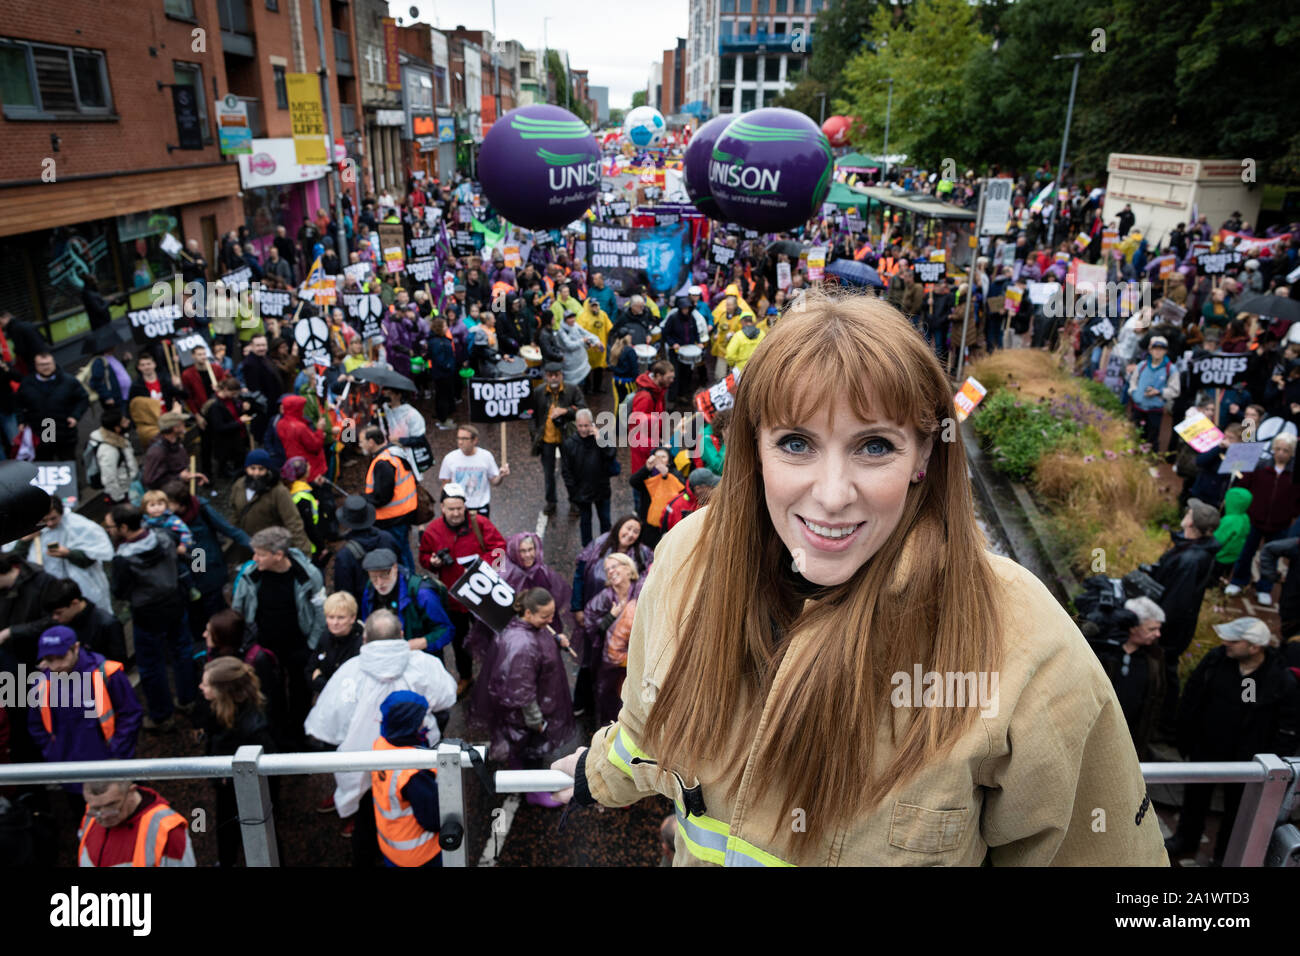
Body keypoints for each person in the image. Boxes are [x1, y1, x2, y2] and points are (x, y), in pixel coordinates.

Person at [548, 291, 1166, 866]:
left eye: (874, 446)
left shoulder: (1024, 644)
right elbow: (647, 730)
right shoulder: (687, 560)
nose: (833, 495)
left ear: (926, 454)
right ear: (753, 446)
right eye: (796, 443)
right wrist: (598, 775)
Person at [305, 609, 456, 837]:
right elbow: (446, 698)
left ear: (365, 638)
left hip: (365, 764)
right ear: (402, 634)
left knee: (366, 819)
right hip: (414, 759)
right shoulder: (425, 665)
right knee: (419, 810)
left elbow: (326, 724)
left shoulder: (349, 671)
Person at [1167, 617, 1300, 865]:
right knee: (1195, 798)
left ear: (1254, 647)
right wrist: (1184, 737)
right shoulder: (1216, 661)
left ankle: (1223, 855)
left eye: (1234, 640)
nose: (1225, 642)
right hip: (1207, 748)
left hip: (1248, 760)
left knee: (1238, 811)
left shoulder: (1279, 679)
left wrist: (1274, 760)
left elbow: (1287, 725)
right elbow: (1192, 698)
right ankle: (1185, 840)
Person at [231, 526, 326, 748]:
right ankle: (278, 737)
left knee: (300, 693)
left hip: (298, 646)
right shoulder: (250, 575)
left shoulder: (308, 575)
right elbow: (239, 609)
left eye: (260, 554)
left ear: (278, 555)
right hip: (265, 649)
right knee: (270, 695)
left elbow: (320, 612)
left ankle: (298, 736)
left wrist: (311, 644)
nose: (255, 559)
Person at [481, 588, 576, 807]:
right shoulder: (521, 644)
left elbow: (542, 643)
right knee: (533, 752)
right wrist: (536, 721)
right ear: (528, 614)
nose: (551, 620)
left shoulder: (533, 628)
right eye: (545, 616)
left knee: (522, 748)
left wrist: (556, 639)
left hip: (539, 703)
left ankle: (518, 770)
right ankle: (533, 792)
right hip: (531, 713)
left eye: (552, 615)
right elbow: (521, 691)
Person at [105, 504, 194, 731]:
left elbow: (119, 592)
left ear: (123, 527)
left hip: (146, 613)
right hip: (174, 601)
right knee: (182, 651)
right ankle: (188, 699)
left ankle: (161, 716)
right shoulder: (163, 536)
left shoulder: (123, 559)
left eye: (111, 527)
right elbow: (182, 548)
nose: (109, 530)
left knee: (151, 665)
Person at [28, 626, 142, 800]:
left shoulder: (107, 674)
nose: (57, 665)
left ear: (76, 648)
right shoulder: (42, 685)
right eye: (50, 660)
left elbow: (130, 714)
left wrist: (117, 753)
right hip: (70, 772)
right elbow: (37, 725)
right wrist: (54, 754)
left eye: (61, 657)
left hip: (111, 767)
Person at [418, 484, 507, 693]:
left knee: (490, 638)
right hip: (453, 600)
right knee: (459, 641)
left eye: (460, 508)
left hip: (482, 597)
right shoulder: (432, 530)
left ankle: (495, 675)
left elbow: (500, 549)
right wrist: (432, 562)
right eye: (451, 509)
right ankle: (465, 676)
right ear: (442, 507)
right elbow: (423, 557)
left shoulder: (481, 524)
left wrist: (480, 568)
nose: (456, 513)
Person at [195, 656, 279, 867]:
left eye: (206, 684)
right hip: (228, 784)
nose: (201, 687)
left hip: (244, 789)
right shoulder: (223, 709)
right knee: (227, 829)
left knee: (259, 831)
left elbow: (271, 772)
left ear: (222, 691)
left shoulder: (254, 728)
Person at [163, 480, 249, 642]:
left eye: (169, 503)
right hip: (188, 565)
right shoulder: (167, 519)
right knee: (196, 607)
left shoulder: (201, 510)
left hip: (204, 559)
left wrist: (254, 546)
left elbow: (229, 530)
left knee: (210, 602)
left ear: (180, 503)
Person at [369, 690, 444, 866]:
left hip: (391, 846)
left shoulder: (380, 744)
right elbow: (433, 819)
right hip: (420, 854)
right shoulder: (414, 772)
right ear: (413, 724)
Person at [1224, 433, 1300, 602]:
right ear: (1273, 449)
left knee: (1271, 557)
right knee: (1245, 552)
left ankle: (1265, 588)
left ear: (1292, 453)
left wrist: (1291, 512)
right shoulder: (1260, 467)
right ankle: (1238, 581)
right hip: (1254, 519)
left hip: (1280, 524)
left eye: (1286, 450)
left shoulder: (1295, 475)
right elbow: (1244, 487)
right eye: (1278, 449)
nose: (1281, 453)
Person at [1089, 597, 1166, 762]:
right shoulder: (1106, 652)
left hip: (1131, 738)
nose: (1158, 634)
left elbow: (1157, 697)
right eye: (1152, 629)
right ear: (1133, 627)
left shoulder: (1154, 657)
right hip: (1099, 735)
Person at [9, 495, 114, 613]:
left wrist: (69, 554)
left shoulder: (79, 526)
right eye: (44, 520)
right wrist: (25, 541)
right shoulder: (32, 530)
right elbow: (14, 559)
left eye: (53, 518)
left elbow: (94, 556)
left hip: (83, 589)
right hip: (49, 592)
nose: (49, 524)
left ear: (61, 513)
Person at [579, 553, 643, 727]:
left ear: (629, 569)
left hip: (640, 658)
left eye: (615, 566)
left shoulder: (642, 589)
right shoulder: (604, 598)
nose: (610, 571)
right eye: (607, 569)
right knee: (611, 698)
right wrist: (610, 617)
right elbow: (591, 626)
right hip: (611, 665)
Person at [78, 780, 194, 867]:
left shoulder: (166, 829)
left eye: (111, 805)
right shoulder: (91, 813)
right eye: (96, 808)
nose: (103, 815)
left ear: (131, 791)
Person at [359, 549, 453, 655]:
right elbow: (367, 621)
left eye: (384, 575)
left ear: (395, 568)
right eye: (373, 577)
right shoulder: (370, 589)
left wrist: (421, 643)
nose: (379, 583)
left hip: (420, 660)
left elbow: (446, 630)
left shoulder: (423, 594)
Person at [227, 448, 310, 559]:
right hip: (246, 548)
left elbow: (294, 523)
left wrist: (304, 555)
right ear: (246, 469)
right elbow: (235, 514)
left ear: (268, 470)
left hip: (271, 551)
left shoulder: (279, 492)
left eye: (261, 469)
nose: (256, 473)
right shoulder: (239, 486)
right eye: (252, 468)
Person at [530, 363, 587, 517]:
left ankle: (574, 502)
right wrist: (535, 436)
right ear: (546, 376)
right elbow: (532, 416)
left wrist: (565, 411)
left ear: (562, 375)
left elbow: (583, 409)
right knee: (548, 473)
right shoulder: (539, 392)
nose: (554, 378)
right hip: (547, 439)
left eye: (557, 374)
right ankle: (551, 502)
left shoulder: (572, 389)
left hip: (566, 438)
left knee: (569, 472)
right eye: (550, 375)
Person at [333, 494, 408, 607]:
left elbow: (344, 595)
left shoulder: (344, 555)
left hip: (365, 610)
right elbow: (401, 567)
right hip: (395, 602)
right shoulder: (388, 538)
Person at [361, 425, 419, 569]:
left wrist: (364, 499)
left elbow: (382, 497)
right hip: (403, 514)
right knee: (404, 550)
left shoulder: (382, 463)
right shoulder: (393, 452)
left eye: (361, 441)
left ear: (371, 442)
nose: (360, 444)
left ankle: (407, 583)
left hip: (392, 518)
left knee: (399, 554)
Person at [16, 351, 88, 461]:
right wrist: (21, 421)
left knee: (67, 463)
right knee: (45, 464)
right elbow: (18, 403)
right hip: (41, 433)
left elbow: (83, 398)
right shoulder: (27, 384)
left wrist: (75, 416)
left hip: (65, 431)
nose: (46, 367)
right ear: (35, 365)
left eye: (48, 364)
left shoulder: (68, 381)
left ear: (54, 363)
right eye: (42, 365)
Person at [560, 409, 617, 546]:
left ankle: (606, 547)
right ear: (576, 425)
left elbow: (611, 454)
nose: (584, 429)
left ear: (592, 424)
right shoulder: (569, 444)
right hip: (582, 492)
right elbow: (566, 471)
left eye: (586, 425)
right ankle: (588, 551)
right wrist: (573, 493)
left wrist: (600, 439)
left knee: (605, 521)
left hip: (601, 489)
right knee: (585, 523)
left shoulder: (602, 438)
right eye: (581, 426)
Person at [44, 579, 127, 664]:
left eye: (58, 613)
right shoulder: (62, 624)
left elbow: (118, 664)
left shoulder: (107, 624)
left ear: (74, 603)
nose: (55, 618)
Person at [438, 423, 508, 517]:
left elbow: (495, 481)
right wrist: (443, 505)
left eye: (464, 439)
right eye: (458, 438)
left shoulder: (486, 456)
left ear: (475, 440)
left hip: (481, 507)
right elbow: (445, 484)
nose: (460, 442)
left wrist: (501, 476)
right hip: (459, 509)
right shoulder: (450, 458)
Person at [1127, 336, 1179, 452]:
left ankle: (1149, 462)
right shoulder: (1142, 365)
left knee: (1152, 439)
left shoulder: (1171, 369)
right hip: (1138, 408)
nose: (1157, 351)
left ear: (1165, 351)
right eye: (1155, 348)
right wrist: (1134, 393)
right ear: (1150, 350)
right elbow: (1133, 381)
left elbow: (1175, 390)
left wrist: (1159, 392)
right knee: (1134, 436)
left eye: (1161, 349)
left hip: (1154, 410)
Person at [629, 446, 687, 549]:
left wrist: (667, 476)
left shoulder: (674, 472)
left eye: (663, 457)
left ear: (669, 460)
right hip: (648, 519)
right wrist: (646, 468)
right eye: (657, 457)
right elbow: (633, 482)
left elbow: (682, 489)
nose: (659, 460)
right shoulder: (648, 473)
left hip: (667, 519)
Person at [311, 591, 365, 696]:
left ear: (352, 618)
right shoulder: (325, 636)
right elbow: (310, 669)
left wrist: (320, 682)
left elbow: (352, 683)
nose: (335, 623)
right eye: (331, 617)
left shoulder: (361, 643)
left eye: (341, 618)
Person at [89, 408, 139, 505]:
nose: (128, 422)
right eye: (124, 421)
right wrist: (119, 498)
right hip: (122, 494)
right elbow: (109, 478)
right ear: (117, 428)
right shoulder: (108, 450)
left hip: (129, 488)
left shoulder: (120, 439)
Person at [662, 467, 719, 532]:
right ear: (698, 489)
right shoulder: (677, 506)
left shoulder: (706, 500)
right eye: (711, 487)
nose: (714, 490)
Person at [578, 296, 613, 397]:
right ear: (589, 307)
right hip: (589, 348)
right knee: (587, 368)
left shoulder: (603, 315)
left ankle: (597, 387)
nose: (595, 308)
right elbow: (580, 332)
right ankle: (588, 388)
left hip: (600, 347)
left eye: (596, 306)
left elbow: (609, 327)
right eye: (592, 306)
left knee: (599, 367)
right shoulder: (583, 317)